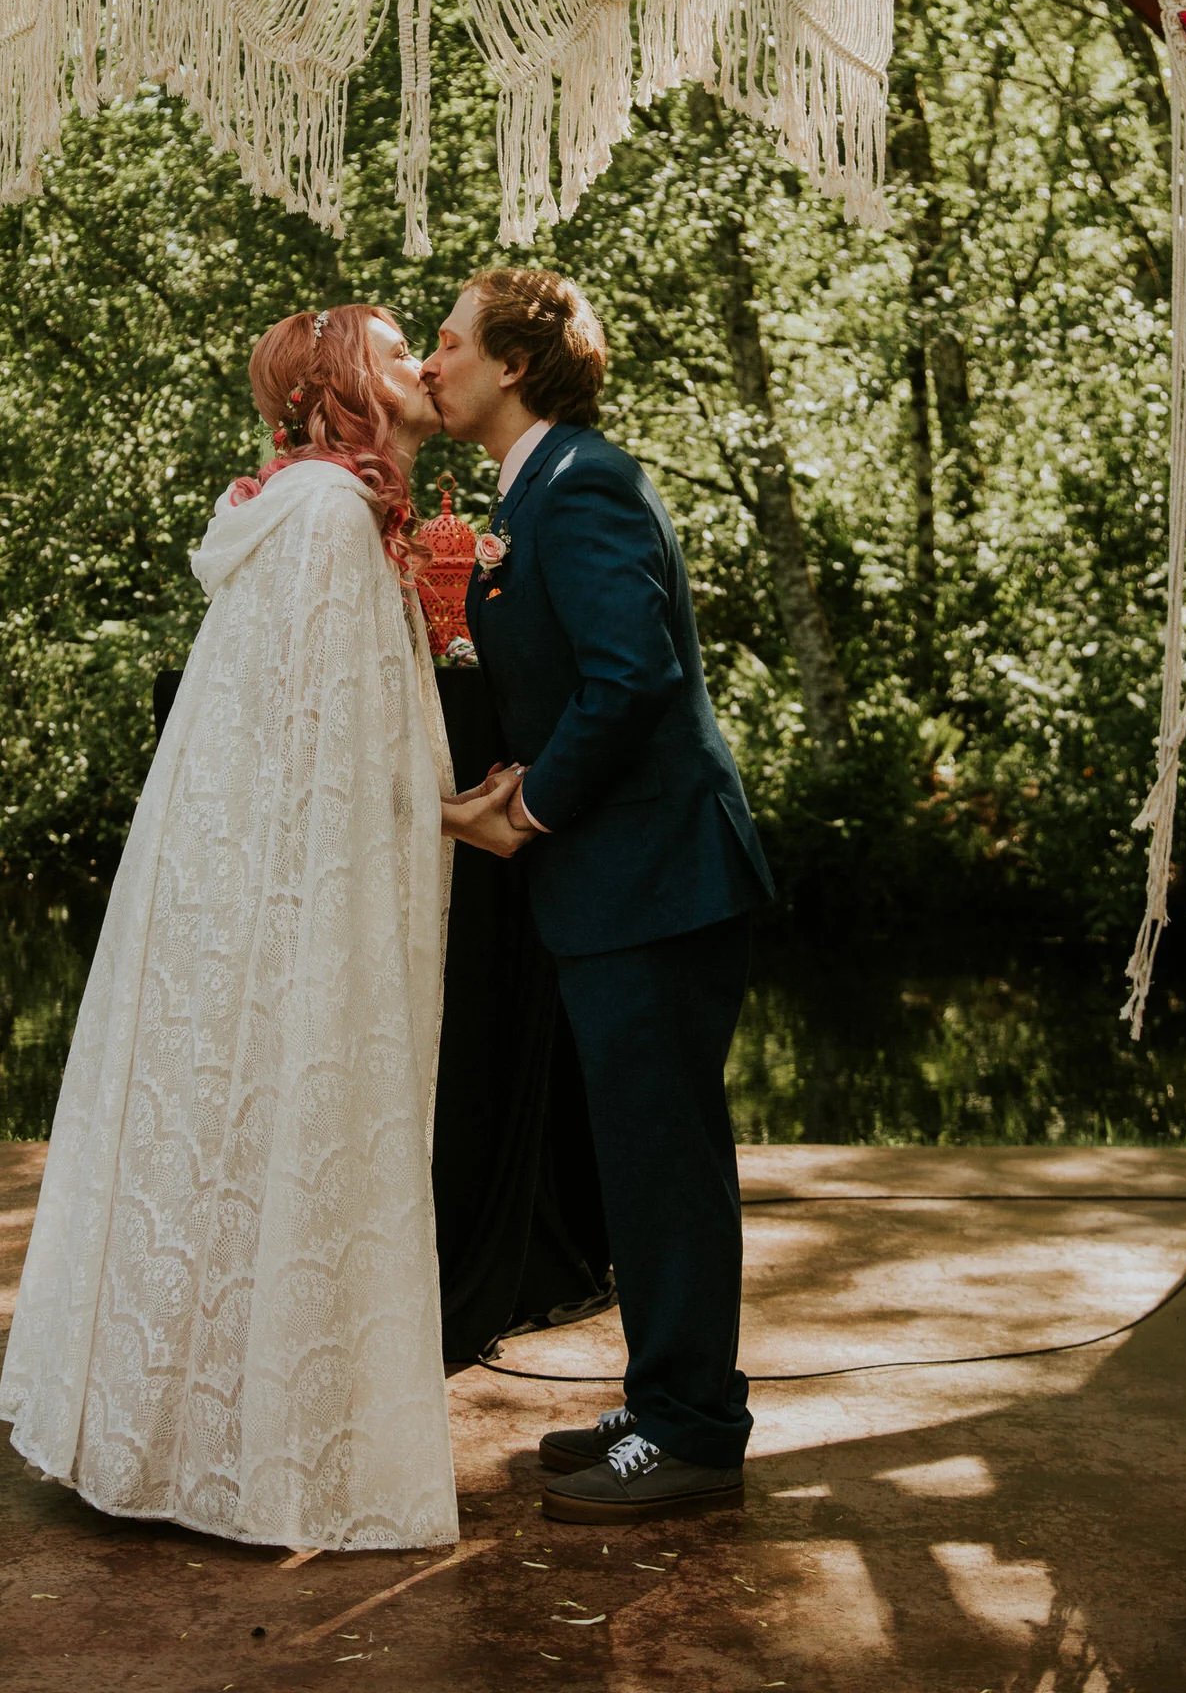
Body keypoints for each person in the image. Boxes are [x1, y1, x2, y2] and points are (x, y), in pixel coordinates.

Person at [0, 303, 518, 1552]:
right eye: (398, 351)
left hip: (248, 887)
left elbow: (325, 738)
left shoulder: (304, 512)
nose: (423, 366)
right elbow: (331, 754)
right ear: (346, 381)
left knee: (233, 1148)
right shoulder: (331, 522)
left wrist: (441, 808)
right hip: (289, 904)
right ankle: (251, 1450)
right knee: (285, 1133)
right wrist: (460, 820)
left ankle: (174, 1428)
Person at [421, 268, 773, 1524]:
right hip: (621, 885)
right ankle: (664, 1395)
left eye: (449, 342)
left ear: (513, 364)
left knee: (667, 1161)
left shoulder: (587, 487)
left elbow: (635, 682)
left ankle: (695, 1437)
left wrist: (524, 809)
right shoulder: (536, 494)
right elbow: (577, 688)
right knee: (638, 1158)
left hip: (660, 883)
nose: (429, 363)